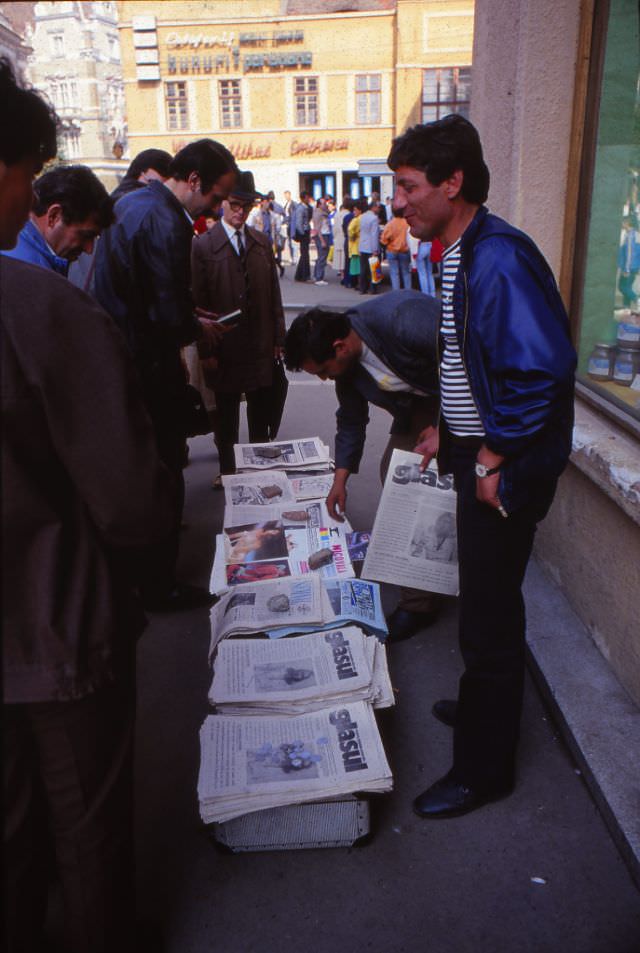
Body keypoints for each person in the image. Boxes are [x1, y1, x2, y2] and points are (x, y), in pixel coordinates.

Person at [1, 59, 175, 953]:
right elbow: (134, 501)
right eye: (28, 175)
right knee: (86, 833)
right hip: (57, 632)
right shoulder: (41, 313)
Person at [387, 113, 576, 818]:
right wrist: (449, 428)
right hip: (478, 448)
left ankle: (484, 767)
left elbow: (540, 373)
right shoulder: (461, 248)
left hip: (507, 460)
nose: (398, 202)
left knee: (490, 620)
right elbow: (472, 358)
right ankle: (480, 709)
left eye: (408, 187)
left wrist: (491, 454)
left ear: (453, 182)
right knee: (480, 603)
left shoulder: (497, 256)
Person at [94, 138, 238, 611]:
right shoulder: (166, 220)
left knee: (140, 470)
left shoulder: (132, 202)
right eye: (215, 197)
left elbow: (142, 290)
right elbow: (165, 313)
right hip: (147, 364)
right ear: (193, 181)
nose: (214, 209)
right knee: (164, 472)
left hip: (121, 354)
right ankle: (160, 584)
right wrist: (197, 326)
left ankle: (141, 576)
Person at [284, 290, 444, 639]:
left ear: (340, 346)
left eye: (324, 370)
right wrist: (339, 481)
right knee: (399, 474)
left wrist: (445, 430)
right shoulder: (346, 364)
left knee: (435, 482)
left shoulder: (406, 320)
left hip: (461, 400)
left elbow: (471, 366)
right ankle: (420, 599)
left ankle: (441, 583)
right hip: (416, 406)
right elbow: (352, 421)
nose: (325, 379)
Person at [191, 170, 286, 480]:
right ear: (222, 204)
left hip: (259, 342)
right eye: (234, 205)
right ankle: (228, 471)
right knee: (227, 415)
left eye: (246, 206)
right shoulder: (204, 246)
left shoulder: (261, 242)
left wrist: (278, 338)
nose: (240, 212)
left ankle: (257, 467)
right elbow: (198, 303)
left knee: (260, 411)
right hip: (225, 346)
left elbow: (274, 295)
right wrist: (206, 350)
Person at [2, 164, 113, 276]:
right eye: (85, 235)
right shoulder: (31, 273)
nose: (89, 249)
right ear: (54, 216)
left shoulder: (18, 253)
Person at [380, 208, 412, 290]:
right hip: (404, 250)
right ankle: (408, 292)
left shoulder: (390, 224)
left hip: (392, 250)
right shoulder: (407, 223)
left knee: (394, 273)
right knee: (406, 272)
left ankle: (396, 292)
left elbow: (383, 239)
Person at [359, 198, 382, 294]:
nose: (379, 209)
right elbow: (374, 234)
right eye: (378, 207)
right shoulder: (374, 218)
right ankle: (373, 289)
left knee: (363, 268)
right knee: (373, 269)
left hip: (363, 245)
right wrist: (375, 249)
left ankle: (362, 288)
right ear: (374, 207)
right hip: (370, 246)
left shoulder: (363, 216)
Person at [618, 212, 640, 308]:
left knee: (622, 287)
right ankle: (626, 308)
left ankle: (637, 300)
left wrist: (626, 269)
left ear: (627, 223)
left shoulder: (630, 236)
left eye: (623, 222)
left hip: (629, 267)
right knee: (628, 288)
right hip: (634, 266)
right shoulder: (636, 234)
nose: (622, 224)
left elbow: (629, 254)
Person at [293, 191, 313, 282]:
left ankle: (299, 275)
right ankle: (305, 275)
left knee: (304, 254)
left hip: (305, 231)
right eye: (307, 197)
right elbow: (298, 222)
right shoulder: (301, 208)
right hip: (303, 232)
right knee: (305, 255)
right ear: (304, 198)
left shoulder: (306, 207)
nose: (309, 199)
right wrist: (302, 233)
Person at [312, 195, 331, 285]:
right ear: (319, 205)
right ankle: (319, 277)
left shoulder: (323, 212)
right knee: (322, 257)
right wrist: (322, 240)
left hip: (325, 235)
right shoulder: (318, 214)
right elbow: (317, 228)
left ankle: (317, 275)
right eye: (323, 204)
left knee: (321, 256)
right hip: (322, 236)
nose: (325, 205)